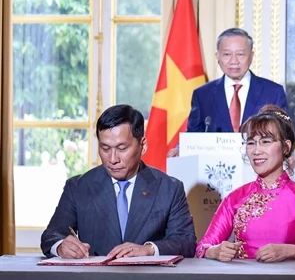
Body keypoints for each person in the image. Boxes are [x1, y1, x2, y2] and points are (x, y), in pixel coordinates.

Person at [41, 105, 197, 258]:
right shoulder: (78, 188)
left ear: (142, 146)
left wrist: (149, 250)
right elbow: (51, 235)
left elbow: (186, 242)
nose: (113, 159)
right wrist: (61, 246)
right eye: (106, 148)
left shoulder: (169, 188)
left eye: (122, 148)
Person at [195, 105, 295, 261]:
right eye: (251, 143)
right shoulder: (235, 199)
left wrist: (290, 250)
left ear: (286, 147)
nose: (256, 151)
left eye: (265, 141)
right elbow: (203, 247)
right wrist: (216, 251)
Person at [169, 28, 288, 156]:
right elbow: (194, 134)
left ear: (252, 56)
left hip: (259, 167)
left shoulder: (273, 92)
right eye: (227, 54)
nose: (233, 61)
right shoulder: (203, 95)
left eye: (240, 54)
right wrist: (181, 148)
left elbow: (284, 134)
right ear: (218, 57)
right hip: (215, 168)